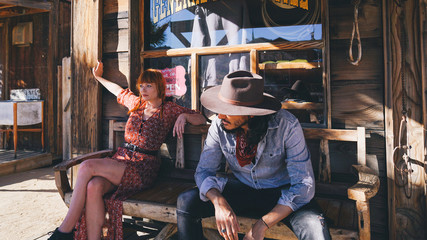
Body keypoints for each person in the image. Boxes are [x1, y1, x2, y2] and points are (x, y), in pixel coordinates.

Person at [48, 62, 206, 240]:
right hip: (122, 160)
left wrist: (184, 116)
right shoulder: (137, 104)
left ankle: (65, 231)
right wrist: (98, 77)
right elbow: (118, 90)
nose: (143, 89)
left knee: (86, 167)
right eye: (141, 85)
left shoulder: (168, 110)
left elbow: (200, 117)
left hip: (142, 167)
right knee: (93, 186)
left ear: (159, 87)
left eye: (149, 85)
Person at [176, 70, 331, 240]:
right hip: (244, 188)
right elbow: (204, 171)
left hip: (282, 194)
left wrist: (261, 225)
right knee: (186, 201)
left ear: (251, 112)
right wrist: (218, 201)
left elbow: (303, 185)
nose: (220, 116)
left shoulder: (287, 125)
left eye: (228, 110)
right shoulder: (219, 125)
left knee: (316, 229)